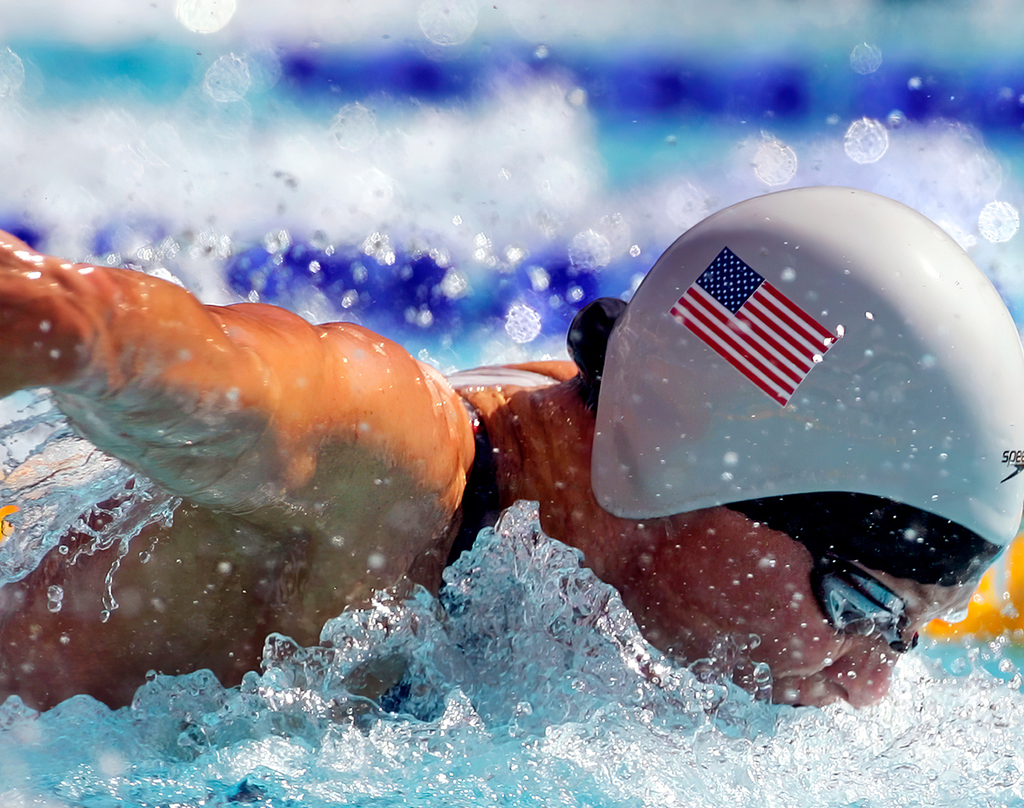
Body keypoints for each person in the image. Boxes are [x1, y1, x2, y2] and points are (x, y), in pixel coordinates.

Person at [0, 186, 1020, 711]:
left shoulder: (568, 527)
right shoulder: (395, 465)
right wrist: (68, 323)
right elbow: (176, 358)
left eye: (907, 633)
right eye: (862, 605)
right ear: (711, 468)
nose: (868, 686)